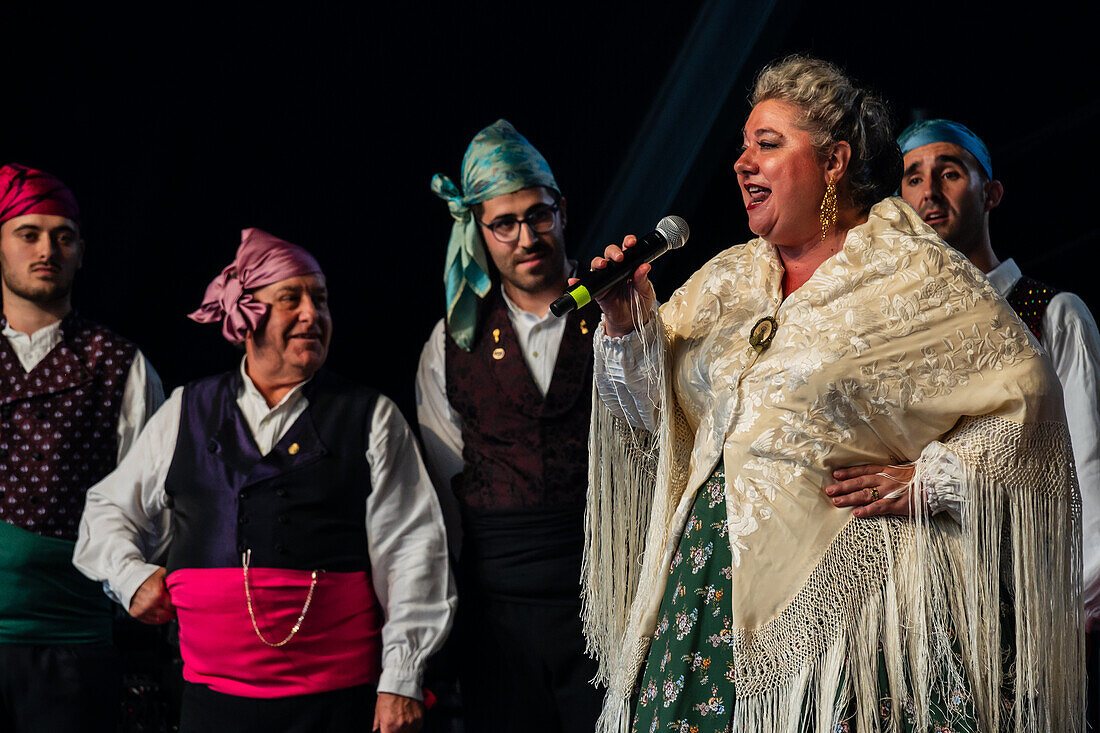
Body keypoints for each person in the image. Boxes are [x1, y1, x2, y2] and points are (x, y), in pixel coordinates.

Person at [581, 56, 1082, 732]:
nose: (742, 162)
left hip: (848, 613)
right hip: (704, 589)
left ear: (835, 159)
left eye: (768, 143)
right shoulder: (725, 281)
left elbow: (1027, 400)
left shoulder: (911, 272)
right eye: (742, 146)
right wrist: (624, 321)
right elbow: (658, 418)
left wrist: (929, 481)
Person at [73, 228, 455, 733]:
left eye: (320, 300)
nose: (311, 315)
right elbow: (106, 510)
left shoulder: (369, 417)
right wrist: (129, 577)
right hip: (213, 703)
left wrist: (401, 678)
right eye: (290, 299)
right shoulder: (187, 409)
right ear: (246, 314)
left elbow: (412, 548)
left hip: (334, 704)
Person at [896, 121, 1100, 724]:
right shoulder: (894, 338)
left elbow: (1086, 464)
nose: (929, 190)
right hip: (923, 617)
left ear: (991, 194)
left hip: (1028, 606)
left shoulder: (1049, 315)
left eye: (950, 172)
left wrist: (1081, 612)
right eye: (912, 178)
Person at [417, 119, 604, 732]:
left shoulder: (619, 314)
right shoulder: (449, 344)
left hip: (604, 594)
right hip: (497, 616)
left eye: (539, 215)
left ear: (562, 210)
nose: (527, 237)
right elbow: (445, 497)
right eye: (505, 223)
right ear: (478, 230)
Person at [0, 163, 164, 733]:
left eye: (63, 236)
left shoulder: (120, 366)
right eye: (29, 233)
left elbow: (152, 507)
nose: (47, 248)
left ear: (81, 252)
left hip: (68, 643)